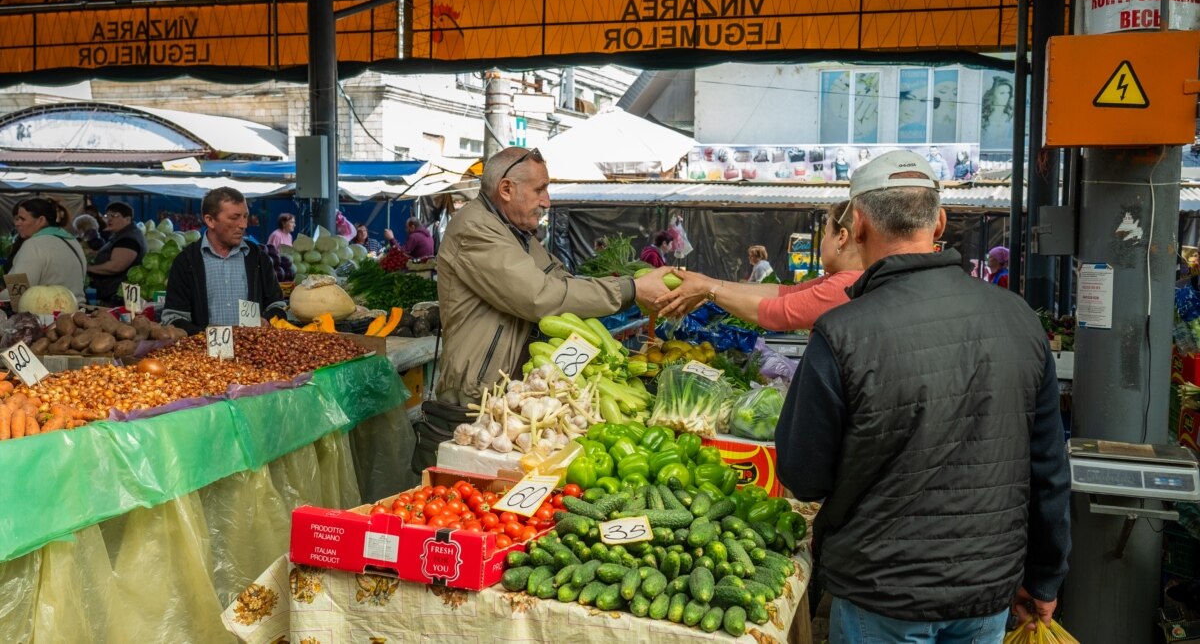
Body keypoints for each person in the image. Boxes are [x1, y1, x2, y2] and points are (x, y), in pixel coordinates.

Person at [775, 150, 1070, 641]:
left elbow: (803, 476)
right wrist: (1044, 574)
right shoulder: (1018, 318)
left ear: (861, 225)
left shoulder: (842, 331)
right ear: (941, 223)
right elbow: (1048, 466)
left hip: (881, 592)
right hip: (986, 589)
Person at [436, 147, 671, 406]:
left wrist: (635, 285)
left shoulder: (515, 232)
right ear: (506, 189)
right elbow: (540, 296)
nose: (547, 201)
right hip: (477, 392)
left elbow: (561, 281)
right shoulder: (475, 229)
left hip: (511, 389)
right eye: (539, 189)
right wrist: (631, 289)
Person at [655, 201, 863, 331]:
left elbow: (777, 312)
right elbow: (784, 293)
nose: (822, 241)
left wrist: (708, 290)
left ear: (841, 237)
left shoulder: (847, 285)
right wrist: (707, 282)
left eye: (826, 233)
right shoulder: (843, 279)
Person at [162, 187, 286, 334]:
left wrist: (268, 320)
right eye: (235, 217)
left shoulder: (258, 258)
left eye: (245, 216)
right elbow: (173, 318)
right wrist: (205, 333)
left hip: (253, 351)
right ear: (210, 220)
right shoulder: (186, 262)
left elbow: (277, 304)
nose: (243, 225)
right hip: (202, 353)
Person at [3, 198, 87, 304]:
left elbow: (16, 293)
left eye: (22, 219)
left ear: (41, 220)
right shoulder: (72, 241)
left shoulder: (34, 244)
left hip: (47, 315)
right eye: (17, 219)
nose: (17, 223)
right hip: (76, 312)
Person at [86, 202, 147, 305]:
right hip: (112, 295)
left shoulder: (128, 239)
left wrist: (88, 269)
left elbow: (116, 266)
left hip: (118, 298)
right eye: (107, 215)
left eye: (114, 215)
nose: (109, 219)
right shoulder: (123, 235)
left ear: (127, 219)